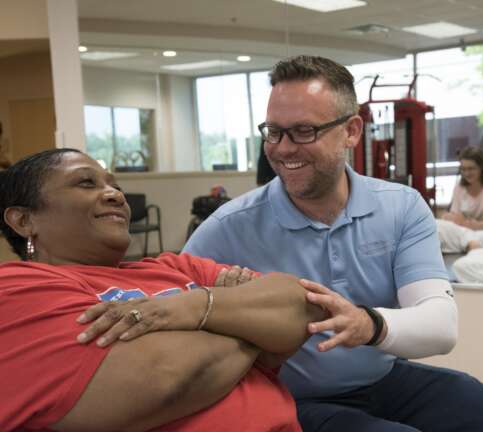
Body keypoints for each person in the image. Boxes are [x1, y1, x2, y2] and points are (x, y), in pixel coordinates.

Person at [183, 55, 483, 432]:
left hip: (385, 380)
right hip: (293, 401)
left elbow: (441, 325)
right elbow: (165, 308)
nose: (283, 149)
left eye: (304, 131)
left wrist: (368, 324)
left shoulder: (400, 206)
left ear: (352, 131)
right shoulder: (229, 227)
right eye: (274, 131)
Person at [0, 148, 323, 431]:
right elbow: (163, 378)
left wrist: (192, 307)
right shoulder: (18, 288)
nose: (115, 194)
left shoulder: (172, 267)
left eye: (115, 184)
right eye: (86, 183)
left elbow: (302, 305)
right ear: (24, 220)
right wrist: (251, 327)